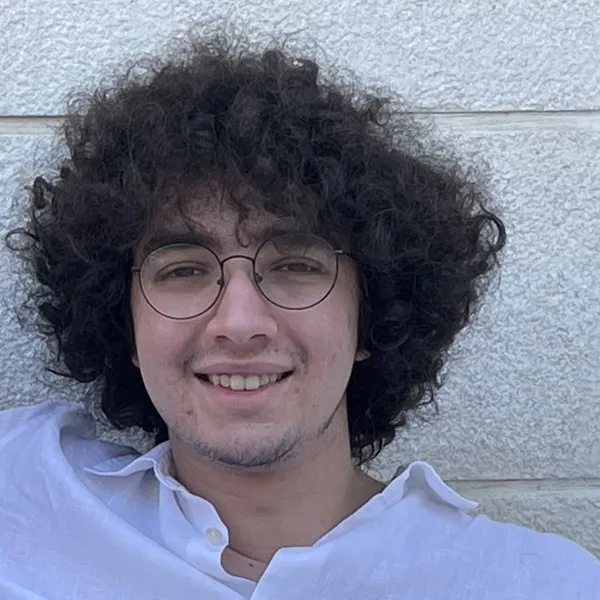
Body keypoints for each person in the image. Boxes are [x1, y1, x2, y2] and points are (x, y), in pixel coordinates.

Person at [1, 30, 598, 600]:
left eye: (295, 265)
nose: (239, 323)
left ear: (373, 314)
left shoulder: (544, 586)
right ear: (123, 323)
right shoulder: (24, 489)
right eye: (183, 270)